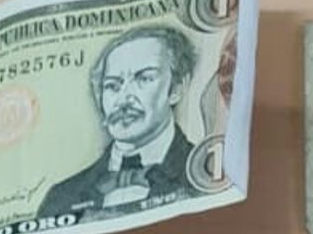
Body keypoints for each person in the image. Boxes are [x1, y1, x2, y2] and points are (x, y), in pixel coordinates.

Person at [37, 24, 200, 220]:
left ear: (177, 88)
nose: (123, 99)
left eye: (144, 79)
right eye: (112, 86)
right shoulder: (60, 198)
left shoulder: (207, 173)